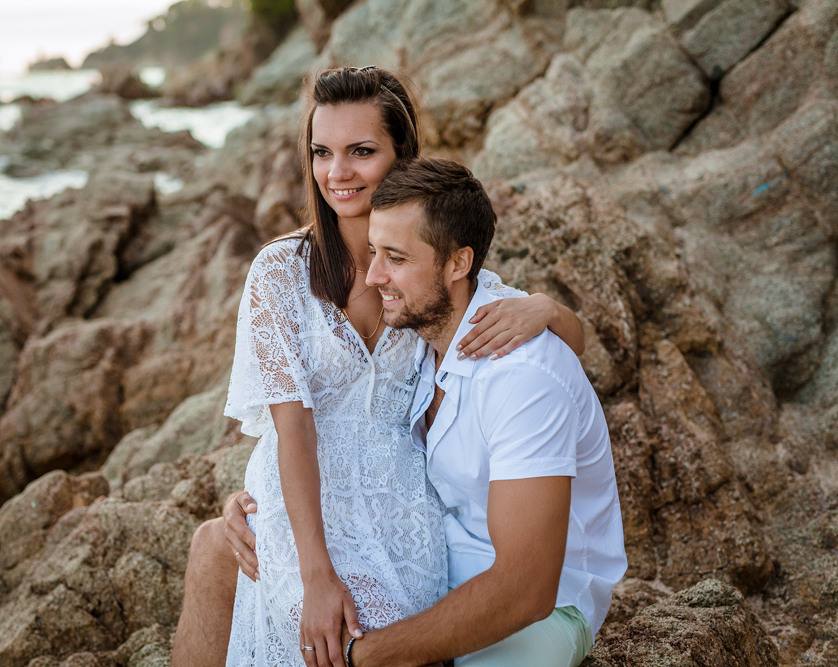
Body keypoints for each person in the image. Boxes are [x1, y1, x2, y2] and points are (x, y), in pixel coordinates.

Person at [171, 67, 586, 667]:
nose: (337, 173)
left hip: (405, 507)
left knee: (387, 643)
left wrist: (546, 309)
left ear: (402, 156)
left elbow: (570, 345)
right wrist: (316, 573)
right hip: (306, 502)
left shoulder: (426, 268)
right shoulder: (280, 272)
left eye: (361, 152)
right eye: (322, 152)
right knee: (315, 635)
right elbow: (294, 427)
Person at [327, 156, 625, 666]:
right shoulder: (415, 332)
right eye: (374, 252)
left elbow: (526, 590)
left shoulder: (521, 376)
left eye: (395, 258)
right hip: (431, 557)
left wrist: (366, 657)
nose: (374, 276)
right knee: (236, 557)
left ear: (458, 264)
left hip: (546, 606)